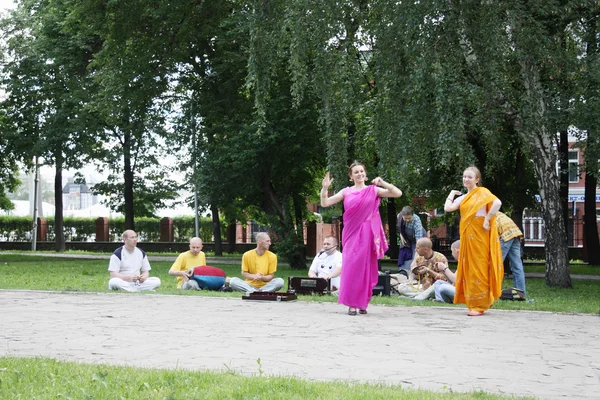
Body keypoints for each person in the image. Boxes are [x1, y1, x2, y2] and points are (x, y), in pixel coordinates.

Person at [321, 161, 402, 316]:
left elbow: (397, 193)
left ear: (365, 174)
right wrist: (325, 188)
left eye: (361, 171)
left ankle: (362, 302)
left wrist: (382, 182)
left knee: (365, 267)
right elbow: (325, 203)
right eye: (356, 172)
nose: (359, 174)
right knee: (351, 266)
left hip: (368, 233)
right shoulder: (346, 192)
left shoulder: (373, 190)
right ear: (351, 177)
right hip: (351, 233)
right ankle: (352, 303)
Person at [444, 166, 503, 316]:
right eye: (464, 177)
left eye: (470, 177)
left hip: (480, 233)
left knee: (480, 266)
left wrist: (487, 219)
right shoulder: (463, 197)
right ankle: (472, 303)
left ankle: (480, 304)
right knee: (469, 268)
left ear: (477, 179)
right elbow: (447, 208)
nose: (466, 179)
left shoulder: (482, 192)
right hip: (467, 235)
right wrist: (451, 193)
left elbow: (497, 203)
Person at [496, 211, 527, 294]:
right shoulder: (497, 212)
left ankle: (493, 292)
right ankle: (521, 292)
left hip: (505, 235)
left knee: (495, 264)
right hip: (515, 233)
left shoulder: (485, 216)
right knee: (517, 265)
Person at [397, 206, 426, 275]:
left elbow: (419, 240)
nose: (407, 220)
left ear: (413, 215)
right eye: (405, 218)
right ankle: (404, 273)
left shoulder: (417, 221)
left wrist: (416, 255)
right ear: (402, 215)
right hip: (407, 238)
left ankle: (417, 273)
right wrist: (401, 236)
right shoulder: (399, 216)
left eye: (409, 218)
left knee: (416, 256)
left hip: (419, 239)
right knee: (405, 255)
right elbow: (399, 228)